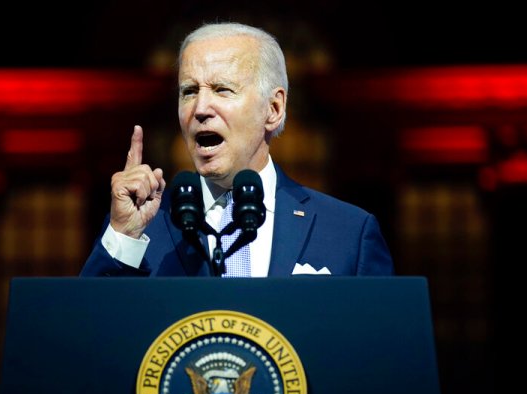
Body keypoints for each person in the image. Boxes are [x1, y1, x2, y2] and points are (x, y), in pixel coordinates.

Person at [80, 21, 394, 277]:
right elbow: (88, 334)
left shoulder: (348, 233)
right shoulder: (143, 227)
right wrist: (123, 234)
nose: (200, 108)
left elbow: (380, 347)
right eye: (189, 91)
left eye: (222, 89)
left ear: (273, 108)